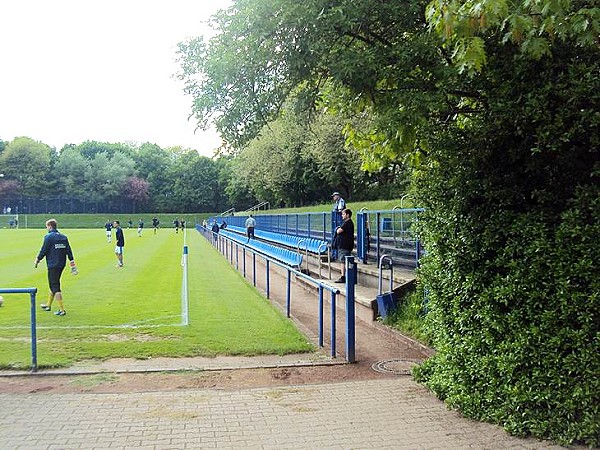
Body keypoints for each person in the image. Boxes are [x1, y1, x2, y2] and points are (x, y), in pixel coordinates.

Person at [35, 218, 77, 316]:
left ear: (50, 226)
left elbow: (43, 250)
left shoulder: (48, 237)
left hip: (53, 265)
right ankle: (48, 305)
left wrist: (38, 259)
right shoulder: (63, 237)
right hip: (61, 264)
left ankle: (62, 310)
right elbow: (69, 251)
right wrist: (72, 263)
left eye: (47, 227)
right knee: (54, 284)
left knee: (55, 287)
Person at [334, 208, 354, 283]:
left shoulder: (347, 223)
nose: (342, 215)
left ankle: (343, 277)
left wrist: (337, 229)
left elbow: (339, 231)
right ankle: (344, 276)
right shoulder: (346, 223)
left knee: (343, 261)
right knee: (343, 260)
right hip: (344, 245)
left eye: (343, 214)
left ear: (347, 215)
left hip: (345, 246)